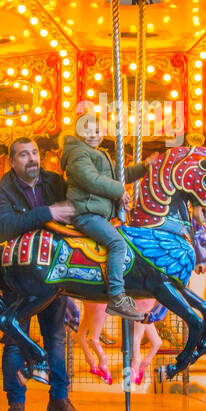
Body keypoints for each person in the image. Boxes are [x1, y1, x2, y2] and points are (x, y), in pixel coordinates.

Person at [0, 137, 81, 411]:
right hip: (20, 276)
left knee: (56, 338)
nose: (32, 159)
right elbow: (5, 227)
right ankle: (16, 402)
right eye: (24, 155)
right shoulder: (1, 190)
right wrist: (47, 213)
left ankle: (59, 397)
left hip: (54, 272)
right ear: (12, 162)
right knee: (15, 338)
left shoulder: (54, 182)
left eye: (34, 153)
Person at [60, 115, 150, 321]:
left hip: (97, 213)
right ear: (78, 133)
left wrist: (144, 166)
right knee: (118, 244)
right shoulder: (78, 153)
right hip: (86, 212)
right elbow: (90, 179)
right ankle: (117, 297)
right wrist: (119, 191)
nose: (93, 135)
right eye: (87, 130)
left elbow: (120, 175)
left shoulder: (98, 154)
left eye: (97, 131)